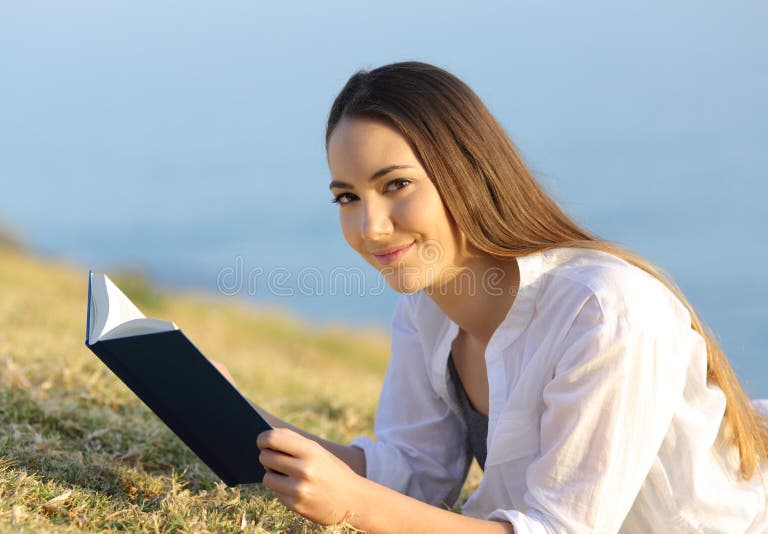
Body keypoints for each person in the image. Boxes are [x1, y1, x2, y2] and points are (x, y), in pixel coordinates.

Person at [215, 61, 768, 533]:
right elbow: (415, 473)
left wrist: (353, 504)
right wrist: (251, 421)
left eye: (395, 185)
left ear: (467, 172)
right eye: (346, 197)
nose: (371, 227)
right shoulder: (426, 305)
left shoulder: (604, 311)